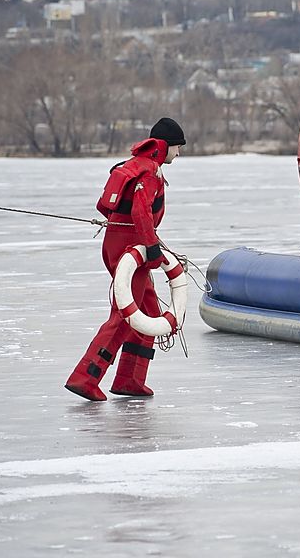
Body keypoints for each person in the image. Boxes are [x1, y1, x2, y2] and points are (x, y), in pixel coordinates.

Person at [65, 118, 186, 401]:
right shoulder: (148, 173)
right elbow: (141, 213)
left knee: (149, 311)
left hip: (119, 242)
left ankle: (129, 379)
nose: (179, 154)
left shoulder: (133, 165)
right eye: (178, 148)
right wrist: (150, 246)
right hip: (130, 245)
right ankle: (85, 377)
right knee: (123, 317)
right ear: (165, 146)